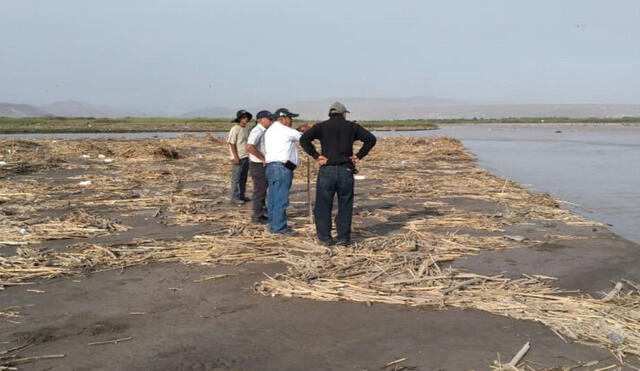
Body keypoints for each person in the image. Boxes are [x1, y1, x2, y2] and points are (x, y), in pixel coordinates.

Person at [300, 102, 377, 246]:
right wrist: (359, 155)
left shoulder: (321, 126)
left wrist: (316, 156)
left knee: (323, 205)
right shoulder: (351, 126)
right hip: (345, 170)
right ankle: (343, 238)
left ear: (330, 113)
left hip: (327, 170)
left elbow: (304, 139)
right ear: (343, 114)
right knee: (345, 205)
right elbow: (371, 139)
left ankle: (325, 238)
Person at [264, 108, 311, 233]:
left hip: (272, 167)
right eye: (290, 119)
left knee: (273, 198)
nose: (291, 121)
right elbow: (302, 138)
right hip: (281, 168)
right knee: (281, 198)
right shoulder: (283, 129)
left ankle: (274, 224)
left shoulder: (272, 130)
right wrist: (309, 130)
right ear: (283, 119)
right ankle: (279, 227)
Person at [246, 110, 275, 224]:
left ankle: (261, 213)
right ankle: (256, 216)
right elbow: (249, 146)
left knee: (262, 190)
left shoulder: (264, 131)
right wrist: (262, 158)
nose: (271, 121)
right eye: (269, 119)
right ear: (260, 120)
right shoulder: (257, 130)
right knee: (259, 191)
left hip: (261, 164)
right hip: (258, 165)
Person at [227, 109, 252, 204]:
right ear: (239, 119)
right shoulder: (235, 129)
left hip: (246, 156)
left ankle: (242, 195)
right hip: (238, 157)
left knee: (243, 178)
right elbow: (231, 144)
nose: (245, 119)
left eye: (246, 117)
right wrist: (235, 157)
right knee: (236, 178)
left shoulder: (246, 129)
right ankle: (234, 197)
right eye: (243, 117)